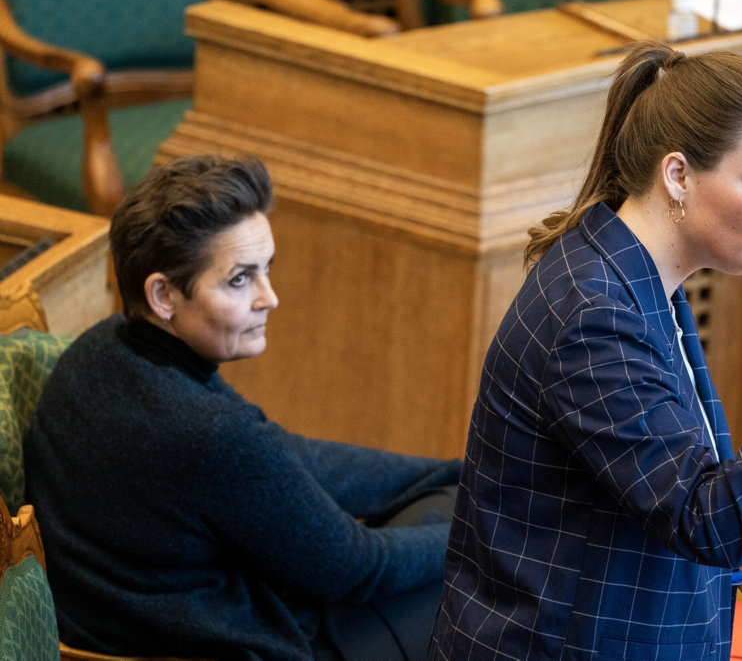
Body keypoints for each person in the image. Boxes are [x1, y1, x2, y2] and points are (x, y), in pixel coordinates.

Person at [429, 41, 742, 660]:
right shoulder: (596, 316)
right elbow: (711, 521)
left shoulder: (632, 276)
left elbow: (676, 492)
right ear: (678, 175)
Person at [24, 155, 461, 660]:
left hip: (127, 626)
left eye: (266, 270)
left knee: (447, 499)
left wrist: (449, 473)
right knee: (484, 580)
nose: (269, 297)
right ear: (163, 294)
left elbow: (285, 457)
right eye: (239, 279)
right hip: (235, 645)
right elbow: (355, 568)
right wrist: (482, 530)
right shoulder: (207, 435)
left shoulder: (99, 350)